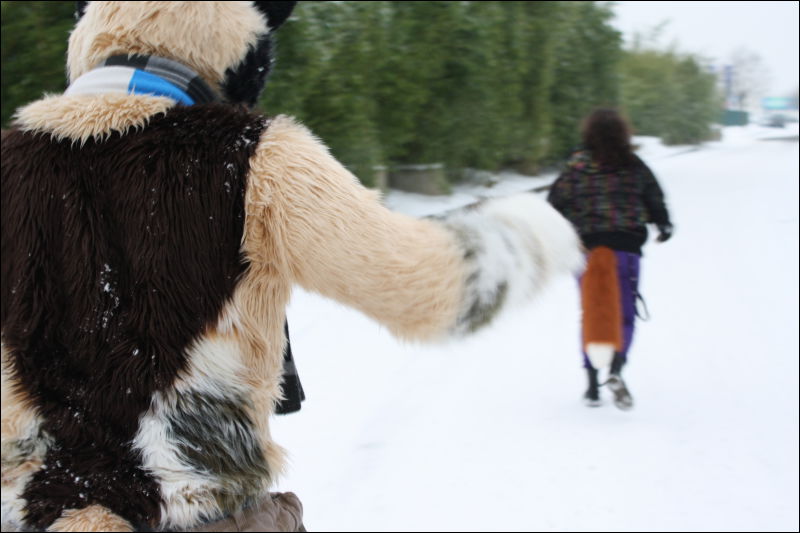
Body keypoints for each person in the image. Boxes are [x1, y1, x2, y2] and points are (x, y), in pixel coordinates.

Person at [1, 2, 582, 531]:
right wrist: (531, 235)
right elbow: (428, 291)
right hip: (191, 514)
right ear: (237, 58)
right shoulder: (252, 155)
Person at [547, 108, 673, 410]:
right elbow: (654, 197)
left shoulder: (575, 168)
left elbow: (553, 206)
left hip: (586, 251)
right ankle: (615, 369)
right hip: (625, 247)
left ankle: (591, 385)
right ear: (623, 133)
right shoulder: (633, 164)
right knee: (624, 313)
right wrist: (663, 224)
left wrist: (559, 234)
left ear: (588, 133)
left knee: (592, 310)